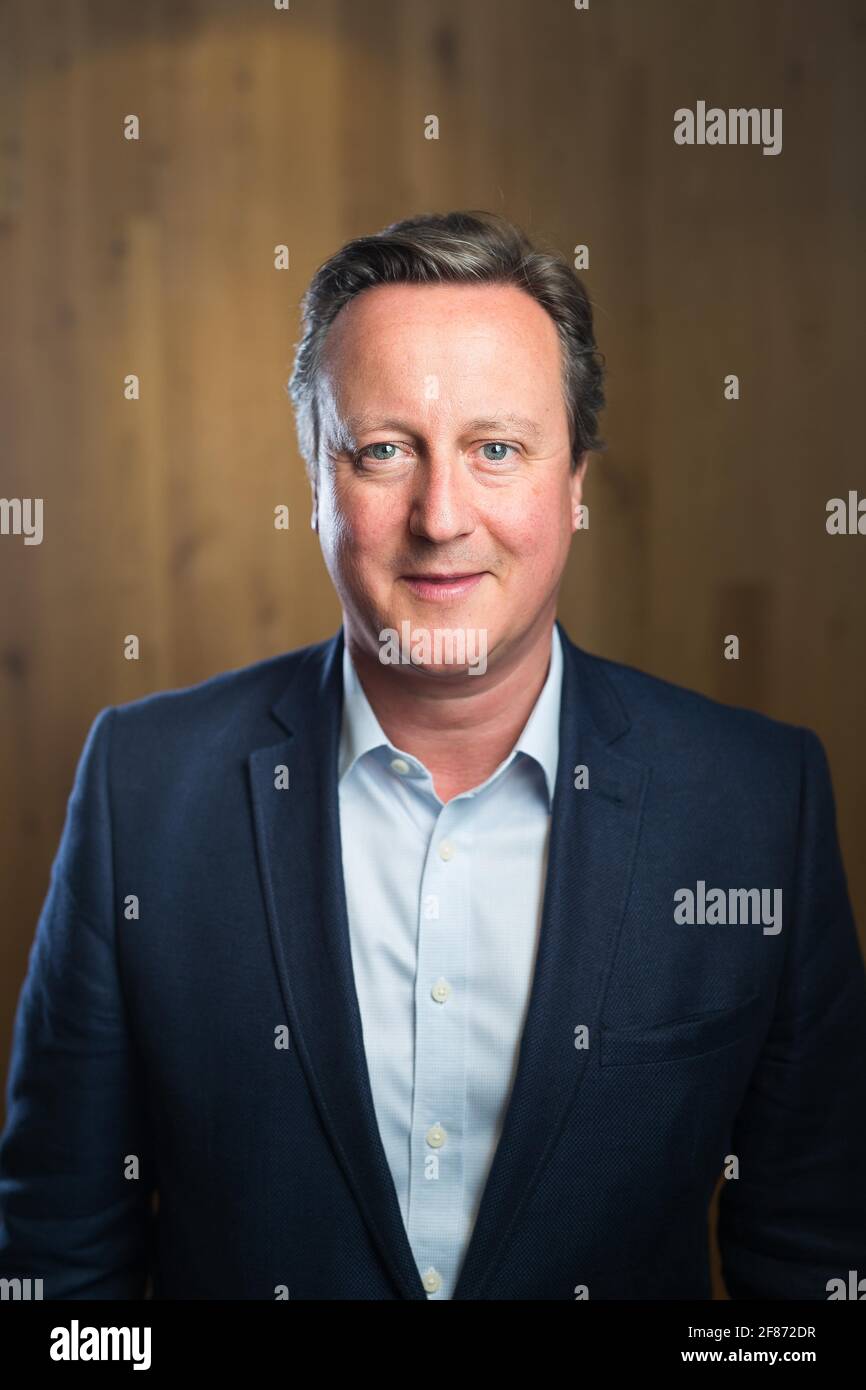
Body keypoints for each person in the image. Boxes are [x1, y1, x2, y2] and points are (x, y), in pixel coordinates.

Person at [1, 210, 864, 1300]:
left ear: (575, 483)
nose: (441, 515)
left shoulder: (753, 805)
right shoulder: (143, 788)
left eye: (494, 449)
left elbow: (812, 1262)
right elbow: (58, 1256)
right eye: (383, 450)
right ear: (316, 476)